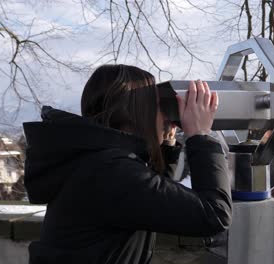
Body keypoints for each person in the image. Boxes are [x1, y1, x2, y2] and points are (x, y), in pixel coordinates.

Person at [22, 64, 232, 264]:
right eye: (157, 106)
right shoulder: (111, 172)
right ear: (138, 111)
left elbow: (153, 201)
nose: (164, 115)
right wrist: (201, 135)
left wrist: (167, 145)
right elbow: (214, 214)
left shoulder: (94, 161)